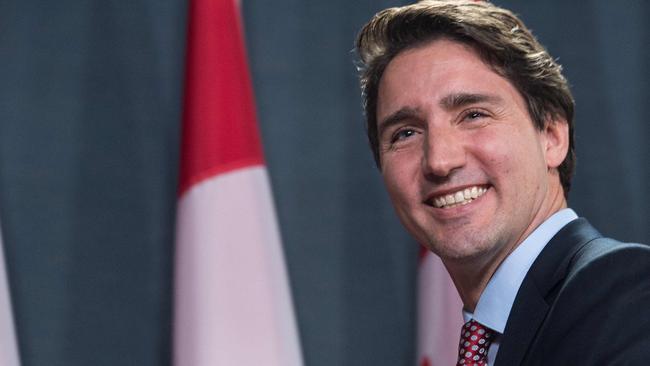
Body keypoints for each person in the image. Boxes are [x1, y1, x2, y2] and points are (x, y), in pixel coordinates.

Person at [354, 1, 650, 365]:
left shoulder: (624, 293)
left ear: (552, 136)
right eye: (406, 133)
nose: (439, 160)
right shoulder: (496, 335)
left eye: (473, 114)